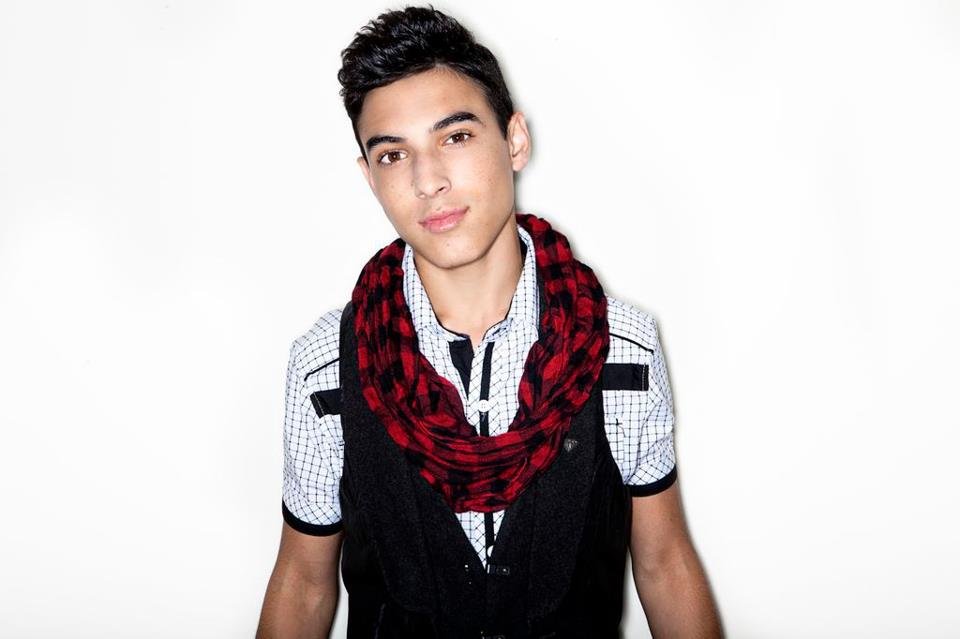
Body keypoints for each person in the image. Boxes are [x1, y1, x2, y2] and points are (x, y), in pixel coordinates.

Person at [257, 6, 722, 638]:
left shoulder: (623, 347)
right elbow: (303, 581)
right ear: (369, 177)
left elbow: (664, 563)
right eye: (393, 154)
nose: (428, 180)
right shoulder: (327, 365)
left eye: (456, 137)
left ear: (514, 140)